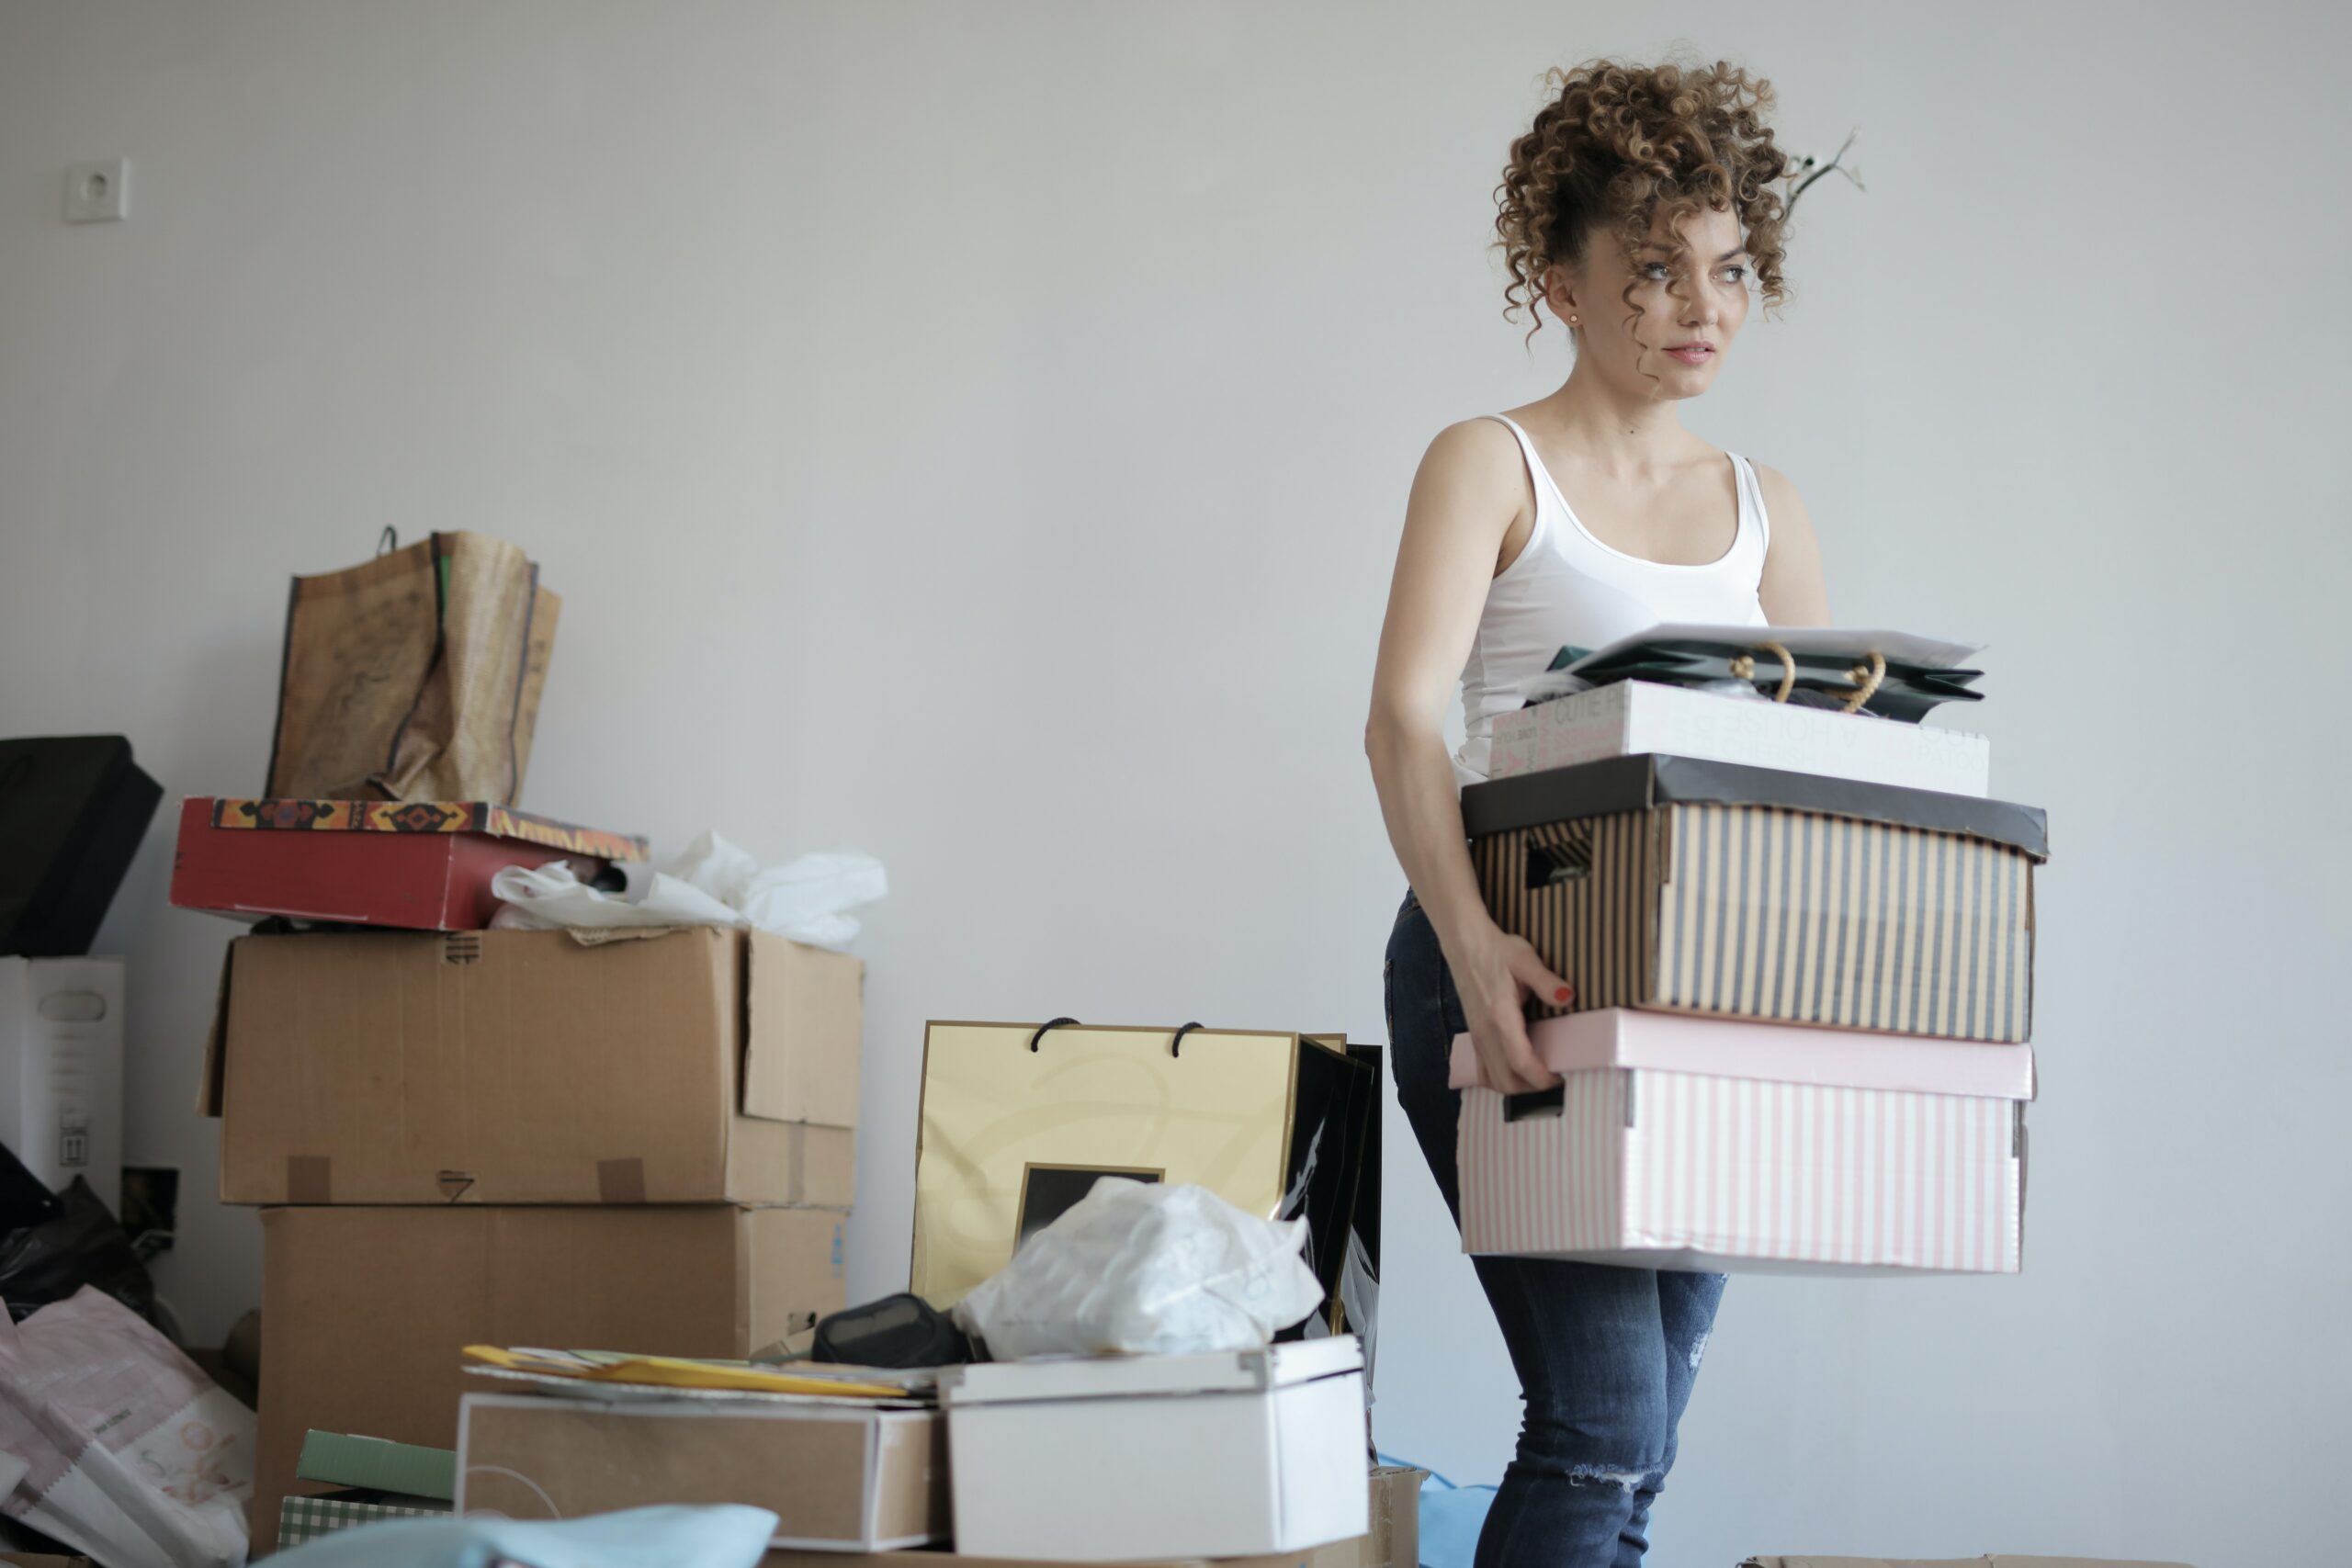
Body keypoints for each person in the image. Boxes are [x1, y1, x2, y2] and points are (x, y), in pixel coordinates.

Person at [1363, 58, 1833, 1568]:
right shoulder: (1488, 462)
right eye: (1651, 271)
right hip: (1511, 954)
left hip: (1697, 988)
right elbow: (1402, 723)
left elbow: (1814, 780)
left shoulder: (1769, 506)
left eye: (1728, 269)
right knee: (1603, 1422)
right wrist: (1472, 943)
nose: (1701, 306)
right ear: (1560, 286)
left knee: (1644, 1436)